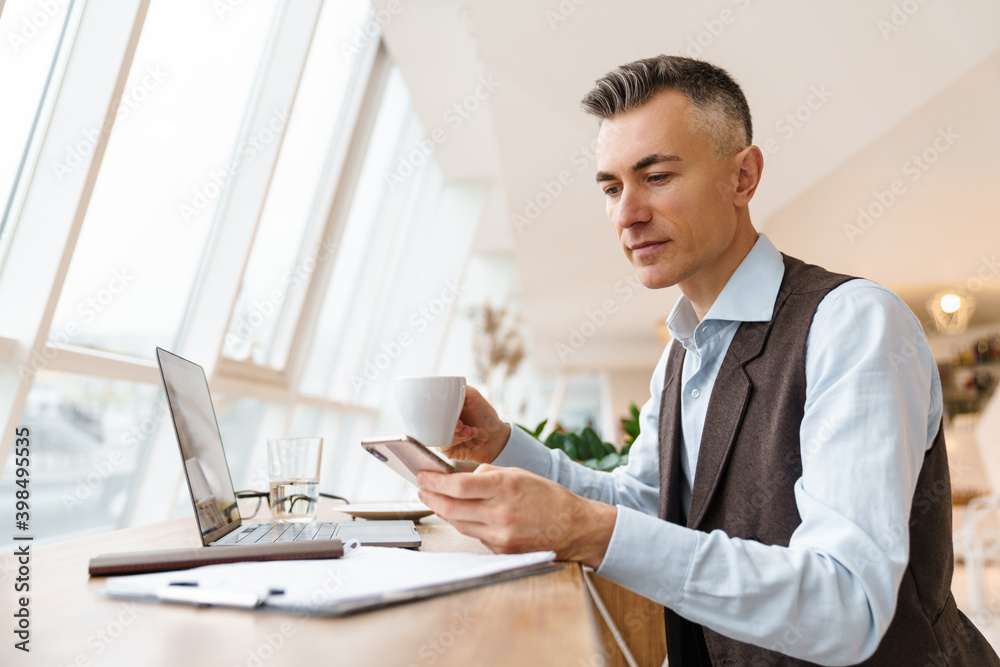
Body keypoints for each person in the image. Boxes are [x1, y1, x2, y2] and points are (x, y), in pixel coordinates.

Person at [416, 55, 999, 665]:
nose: (626, 214)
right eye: (612, 188)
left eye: (657, 177)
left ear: (744, 177)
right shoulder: (680, 355)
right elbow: (645, 504)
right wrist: (503, 444)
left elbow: (845, 603)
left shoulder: (853, 323)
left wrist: (588, 532)